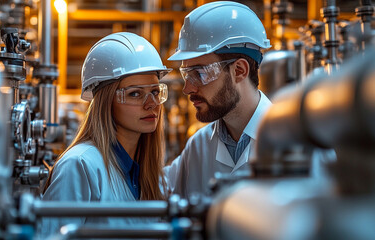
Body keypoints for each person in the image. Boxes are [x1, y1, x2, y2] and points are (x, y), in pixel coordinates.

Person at [39, 32, 171, 236]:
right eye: (135, 93)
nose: (151, 104)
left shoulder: (151, 176)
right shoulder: (80, 165)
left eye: (155, 92)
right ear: (106, 102)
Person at [164, 1, 272, 198]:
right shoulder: (198, 146)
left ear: (239, 71)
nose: (188, 88)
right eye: (186, 74)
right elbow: (153, 190)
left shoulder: (297, 142)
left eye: (200, 73)